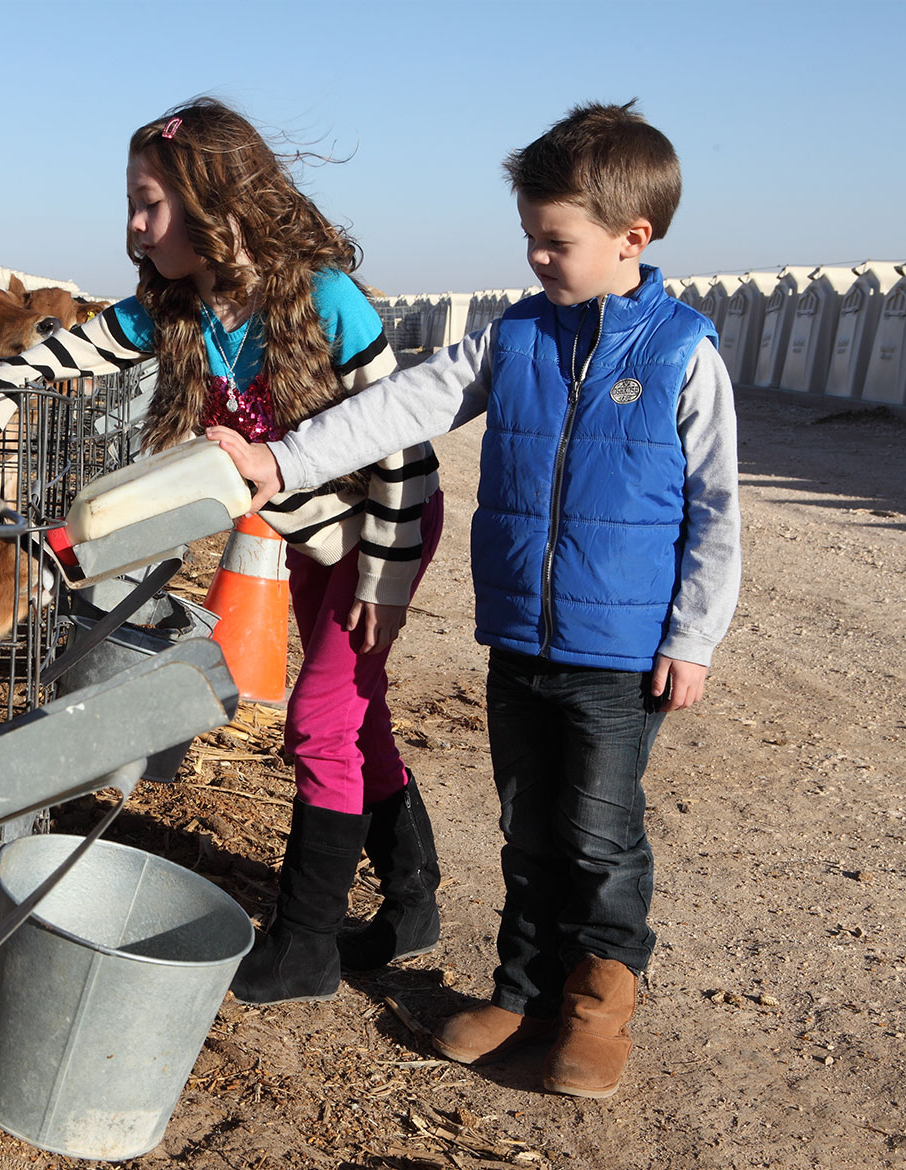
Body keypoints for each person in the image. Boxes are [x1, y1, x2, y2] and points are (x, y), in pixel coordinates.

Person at [0, 97, 446, 1004]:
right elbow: (44, 362)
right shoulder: (174, 305)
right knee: (355, 717)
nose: (131, 224)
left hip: (378, 530)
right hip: (311, 532)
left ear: (215, 203)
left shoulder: (325, 302)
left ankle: (304, 945)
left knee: (319, 723)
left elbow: (403, 446)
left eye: (147, 202)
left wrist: (385, 581)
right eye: (131, 200)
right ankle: (411, 902)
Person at [209, 100, 740, 1099]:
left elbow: (717, 509)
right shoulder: (518, 339)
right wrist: (280, 462)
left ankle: (596, 1006)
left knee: (597, 829)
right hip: (521, 639)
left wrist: (695, 634)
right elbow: (402, 405)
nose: (538, 258)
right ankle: (521, 992)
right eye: (531, 237)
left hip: (621, 653)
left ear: (634, 239)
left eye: (557, 241)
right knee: (526, 824)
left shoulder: (682, 353)